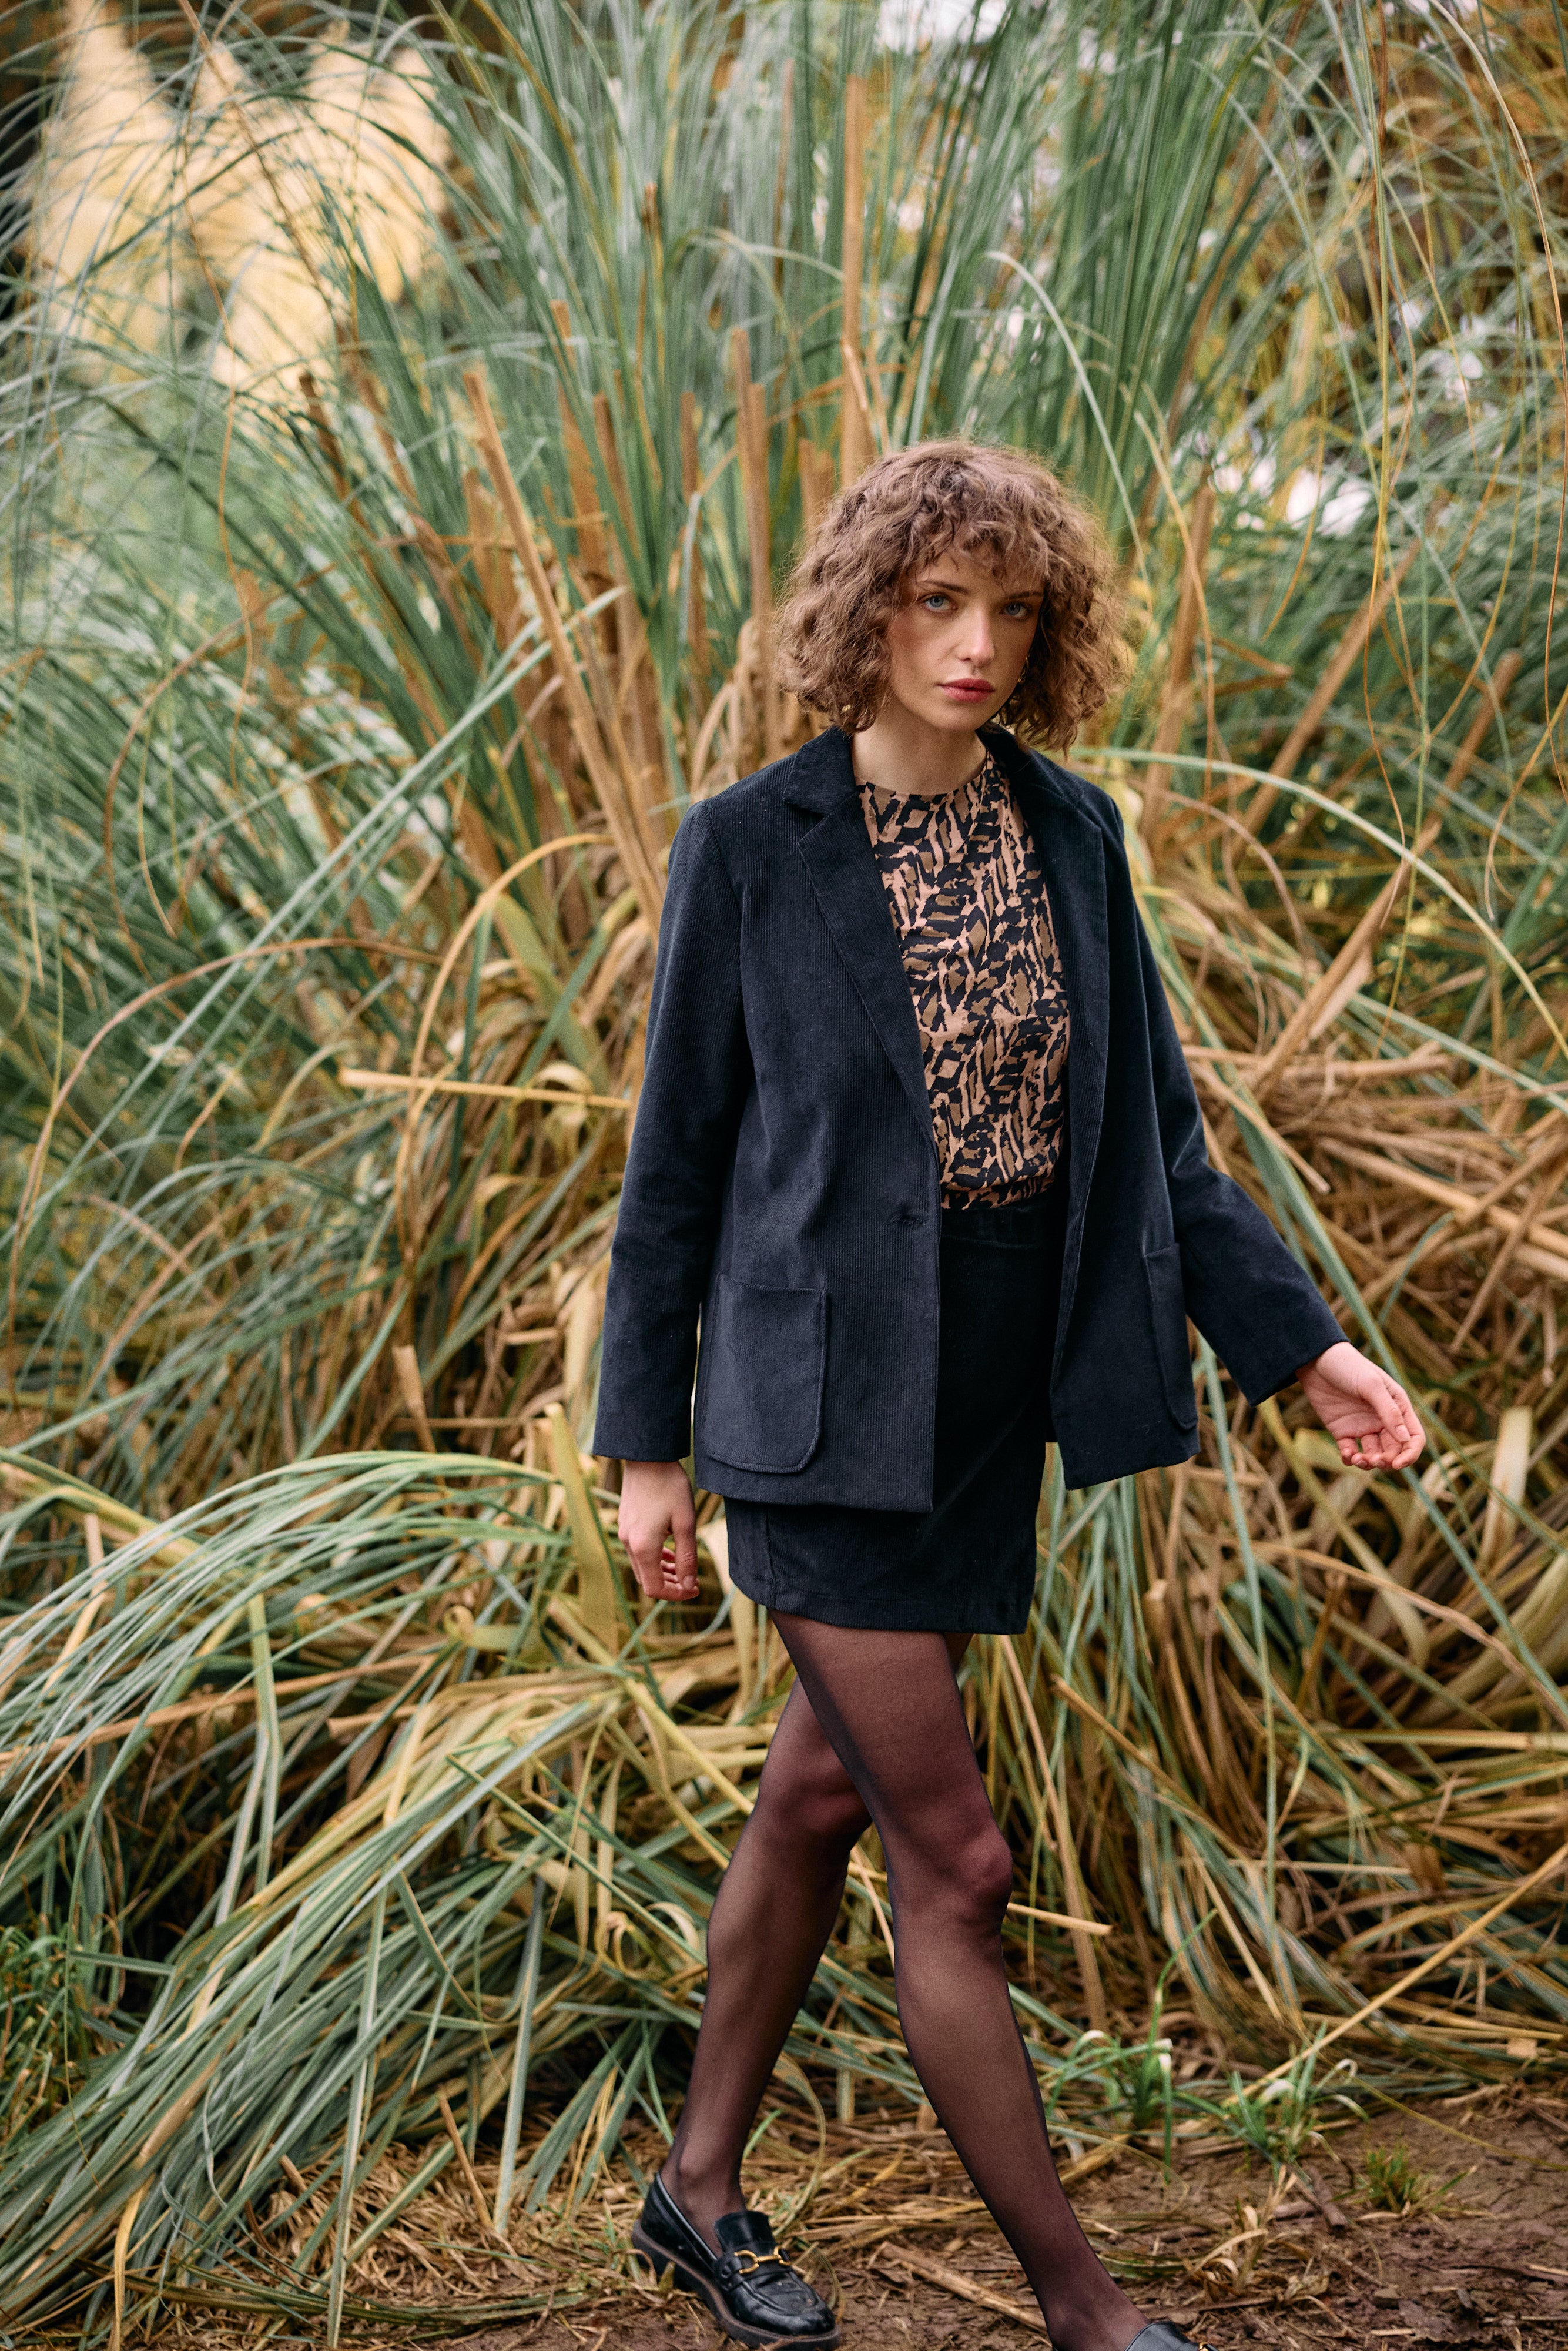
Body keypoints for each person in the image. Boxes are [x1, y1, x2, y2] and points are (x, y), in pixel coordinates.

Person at [594, 441, 1423, 2351]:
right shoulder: (750, 845)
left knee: (819, 1792)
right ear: (868, 613)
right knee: (953, 1862)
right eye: (935, 602)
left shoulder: (1071, 832)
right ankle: (1083, 2308)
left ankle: (693, 2192)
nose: (975, 644)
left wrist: (1301, 1348)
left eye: (1012, 610)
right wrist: (644, 1450)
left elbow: (1155, 1148)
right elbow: (675, 1171)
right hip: (816, 1416)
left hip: (984, 1404)